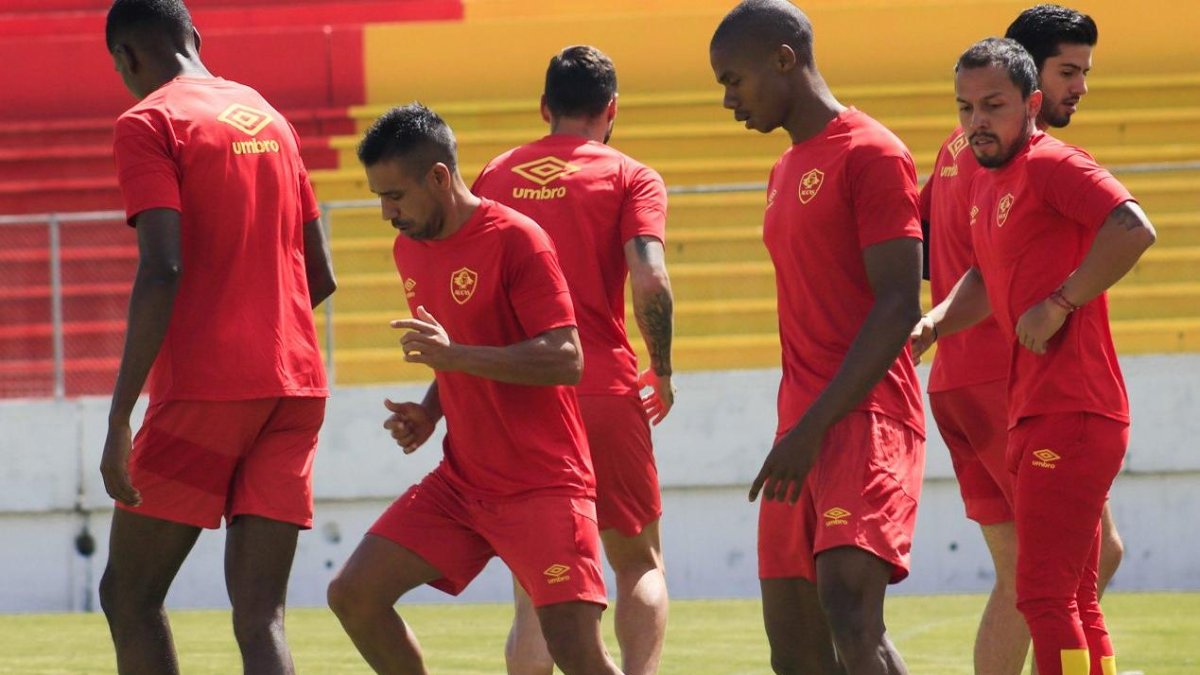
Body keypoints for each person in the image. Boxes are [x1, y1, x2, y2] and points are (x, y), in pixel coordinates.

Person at [325, 103, 622, 675]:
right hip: (463, 483)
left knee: (578, 654)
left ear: (439, 176)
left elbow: (566, 358)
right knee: (354, 595)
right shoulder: (409, 246)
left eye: (395, 196)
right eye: (378, 197)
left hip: (543, 484)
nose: (387, 212)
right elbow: (459, 346)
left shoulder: (518, 239)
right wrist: (432, 408)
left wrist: (453, 357)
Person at [97, 1, 336, 673]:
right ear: (195, 39)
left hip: (208, 386)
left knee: (130, 594)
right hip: (296, 385)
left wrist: (120, 415)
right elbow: (320, 272)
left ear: (127, 58)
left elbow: (163, 264)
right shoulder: (269, 115)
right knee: (262, 616)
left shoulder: (149, 121)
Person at [913, 38, 1155, 675]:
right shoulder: (990, 181)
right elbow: (985, 280)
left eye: (993, 106)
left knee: (1043, 593)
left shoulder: (1052, 163)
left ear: (1031, 103)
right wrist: (933, 324)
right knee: (1070, 592)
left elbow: (1133, 226)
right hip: (1033, 403)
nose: (976, 123)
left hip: (1069, 405)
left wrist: (1061, 301)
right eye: (966, 109)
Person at [710, 2, 927, 673]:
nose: (727, 100)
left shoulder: (874, 151)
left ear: (784, 60)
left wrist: (811, 428)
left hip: (865, 417)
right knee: (795, 647)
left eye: (734, 80)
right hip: (799, 427)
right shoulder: (782, 171)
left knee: (849, 609)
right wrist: (798, 430)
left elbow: (897, 305)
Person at [471, 45, 674, 675]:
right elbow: (650, 279)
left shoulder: (493, 177)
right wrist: (662, 369)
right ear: (610, 110)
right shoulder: (629, 175)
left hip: (521, 396)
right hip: (602, 383)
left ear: (544, 108)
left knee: (538, 582)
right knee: (637, 560)